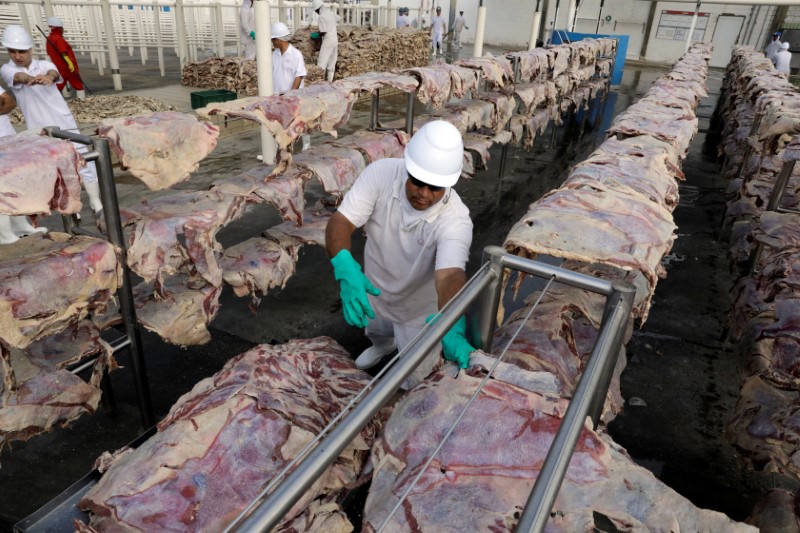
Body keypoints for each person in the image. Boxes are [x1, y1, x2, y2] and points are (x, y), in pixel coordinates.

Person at [325, 120, 476, 389]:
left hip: (418, 309)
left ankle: (407, 390)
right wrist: (344, 266)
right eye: (418, 182)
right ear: (407, 167)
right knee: (376, 331)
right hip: (375, 288)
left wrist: (453, 319)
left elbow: (450, 274)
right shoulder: (380, 175)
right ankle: (383, 346)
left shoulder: (456, 220)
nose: (423, 193)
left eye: (434, 188)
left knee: (415, 376)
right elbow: (341, 221)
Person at [1, 26, 104, 229]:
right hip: (40, 128)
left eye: (21, 51)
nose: (17, 56)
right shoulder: (6, 69)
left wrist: (49, 77)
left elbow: (54, 73)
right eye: (12, 51)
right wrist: (30, 79)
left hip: (64, 121)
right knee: (56, 169)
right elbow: (18, 78)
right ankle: (71, 210)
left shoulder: (44, 64)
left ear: (30, 50)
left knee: (84, 160)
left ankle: (96, 203)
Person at [271, 22, 311, 151]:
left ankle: (307, 145)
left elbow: (299, 76)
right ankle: (280, 148)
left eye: (273, 39)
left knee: (299, 120)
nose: (272, 42)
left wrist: (291, 94)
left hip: (293, 95)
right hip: (278, 95)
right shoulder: (275, 54)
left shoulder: (295, 54)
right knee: (280, 123)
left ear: (279, 39)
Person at [45, 17, 84, 99]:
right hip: (66, 66)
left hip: (57, 66)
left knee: (58, 84)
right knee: (77, 82)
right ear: (59, 28)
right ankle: (82, 100)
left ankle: (52, 101)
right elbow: (63, 53)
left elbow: (49, 53)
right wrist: (70, 63)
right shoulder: (59, 39)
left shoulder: (49, 38)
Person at [312, 0, 337, 82]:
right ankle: (330, 83)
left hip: (328, 41)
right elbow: (339, 18)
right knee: (331, 63)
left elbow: (323, 31)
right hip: (335, 41)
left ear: (317, 9)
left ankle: (319, 84)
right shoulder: (331, 12)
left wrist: (316, 35)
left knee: (321, 63)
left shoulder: (321, 16)